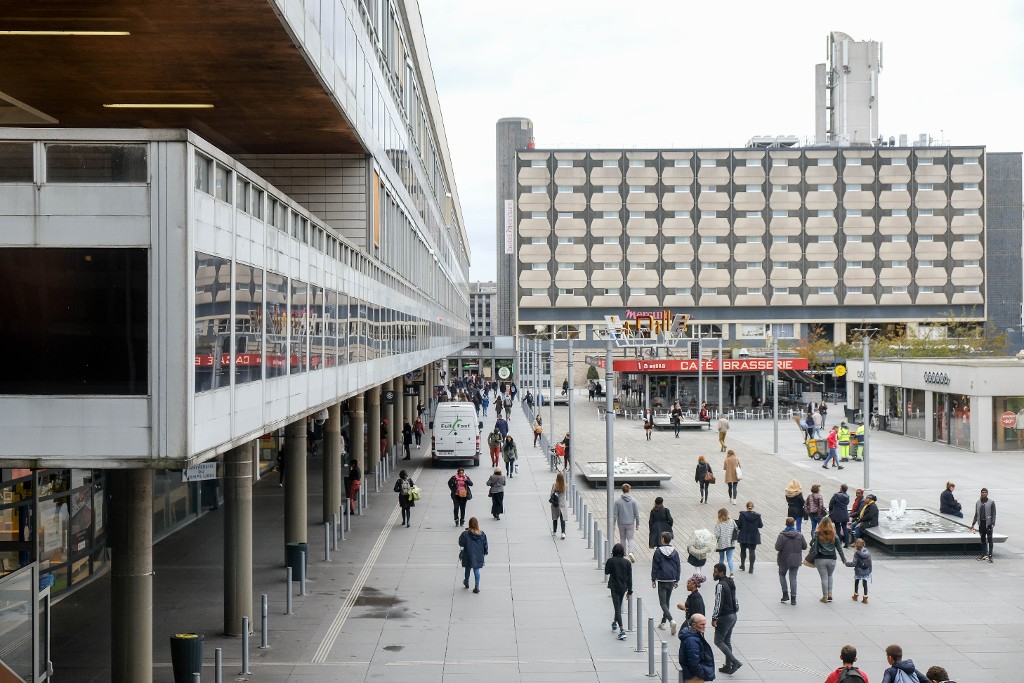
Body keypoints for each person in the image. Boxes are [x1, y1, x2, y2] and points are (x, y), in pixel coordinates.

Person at [710, 563, 741, 675]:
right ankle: (728, 666)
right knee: (727, 641)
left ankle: (734, 662)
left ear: (721, 573)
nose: (713, 574)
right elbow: (735, 599)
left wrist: (714, 617)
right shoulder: (730, 582)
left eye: (715, 572)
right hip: (733, 615)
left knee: (718, 641)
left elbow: (718, 603)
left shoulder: (720, 585)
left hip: (725, 617)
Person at [651, 530, 682, 634]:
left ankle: (671, 620)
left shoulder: (658, 551)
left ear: (663, 539)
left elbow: (655, 566)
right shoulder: (675, 552)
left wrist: (653, 579)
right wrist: (677, 579)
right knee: (667, 601)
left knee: (663, 603)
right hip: (672, 578)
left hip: (662, 579)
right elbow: (678, 565)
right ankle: (663, 623)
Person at [811, 517, 846, 603]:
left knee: (824, 577)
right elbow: (839, 548)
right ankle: (830, 593)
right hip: (832, 558)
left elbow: (811, 542)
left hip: (820, 558)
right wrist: (843, 559)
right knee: (830, 575)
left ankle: (825, 596)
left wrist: (814, 537)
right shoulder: (834, 534)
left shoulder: (818, 533)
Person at [604, 543, 633, 640]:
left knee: (617, 607)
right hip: (623, 587)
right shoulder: (627, 562)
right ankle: (614, 622)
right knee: (618, 605)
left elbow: (606, 572)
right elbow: (630, 578)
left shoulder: (611, 561)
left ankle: (622, 630)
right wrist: (630, 591)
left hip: (614, 586)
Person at [776, 516, 806, 605]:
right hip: (795, 559)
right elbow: (804, 546)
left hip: (783, 559)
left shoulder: (782, 535)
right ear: (794, 524)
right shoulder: (799, 535)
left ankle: (785, 594)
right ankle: (793, 598)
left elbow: (777, 547)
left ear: (786, 524)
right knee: (793, 577)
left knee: (782, 575)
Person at [678, 614, 716, 683]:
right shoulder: (692, 640)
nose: (704, 626)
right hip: (694, 676)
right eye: (702, 624)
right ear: (694, 625)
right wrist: (702, 674)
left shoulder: (693, 635)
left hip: (693, 674)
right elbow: (694, 662)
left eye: (704, 624)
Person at [458, 517, 488, 593]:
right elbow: (485, 545)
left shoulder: (465, 534)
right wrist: (485, 552)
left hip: (468, 554)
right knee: (476, 569)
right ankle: (477, 586)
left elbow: (461, 543)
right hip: (478, 554)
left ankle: (466, 582)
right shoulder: (482, 534)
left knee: (467, 569)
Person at [968, 487, 996, 562]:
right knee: (982, 539)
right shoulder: (978, 503)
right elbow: (976, 514)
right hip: (981, 523)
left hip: (988, 524)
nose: (984, 493)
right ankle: (984, 554)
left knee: (990, 539)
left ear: (987, 493)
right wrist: (973, 524)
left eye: (985, 492)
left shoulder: (991, 502)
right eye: (982, 492)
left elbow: (993, 513)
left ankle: (990, 556)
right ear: (980, 493)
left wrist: (993, 522)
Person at [613, 483, 641, 558]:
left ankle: (623, 552)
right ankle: (631, 552)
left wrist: (613, 524)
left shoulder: (618, 501)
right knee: (630, 538)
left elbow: (615, 514)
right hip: (630, 523)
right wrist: (637, 524)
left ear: (622, 490)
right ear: (629, 490)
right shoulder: (633, 501)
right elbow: (636, 513)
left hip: (621, 522)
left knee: (622, 538)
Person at [736, 501, 763, 573]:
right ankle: (751, 568)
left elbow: (739, 525)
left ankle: (742, 565)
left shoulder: (742, 515)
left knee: (743, 550)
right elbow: (760, 525)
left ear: (746, 507)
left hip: (743, 535)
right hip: (753, 536)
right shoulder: (757, 516)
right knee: (752, 551)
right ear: (753, 507)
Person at [846, 538, 873, 604]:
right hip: (866, 570)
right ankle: (865, 598)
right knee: (865, 584)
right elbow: (870, 563)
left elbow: (854, 563)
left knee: (857, 582)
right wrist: (870, 570)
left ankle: (855, 595)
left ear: (856, 545)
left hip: (859, 570)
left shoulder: (856, 554)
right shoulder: (867, 552)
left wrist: (846, 563)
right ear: (864, 544)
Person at [713, 508, 738, 576]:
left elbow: (717, 535)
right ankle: (732, 573)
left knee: (721, 558)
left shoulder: (719, 524)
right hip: (731, 543)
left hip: (722, 544)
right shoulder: (732, 521)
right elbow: (736, 529)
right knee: (729, 558)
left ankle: (721, 572)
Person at [550, 472, 568, 539]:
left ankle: (554, 531)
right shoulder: (565, 486)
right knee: (562, 519)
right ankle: (563, 533)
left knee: (555, 518)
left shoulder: (554, 485)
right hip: (562, 504)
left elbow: (551, 494)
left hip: (555, 505)